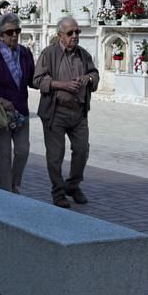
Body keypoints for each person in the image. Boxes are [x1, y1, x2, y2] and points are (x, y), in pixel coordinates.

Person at [34, 17, 99, 207]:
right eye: (70, 33)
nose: (75, 36)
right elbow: (37, 80)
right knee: (56, 155)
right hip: (56, 111)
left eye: (77, 32)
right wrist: (62, 85)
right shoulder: (49, 54)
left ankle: (73, 184)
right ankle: (58, 192)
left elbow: (94, 74)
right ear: (60, 35)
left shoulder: (83, 55)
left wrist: (88, 79)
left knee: (82, 150)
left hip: (78, 111)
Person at [0, 13, 36, 194]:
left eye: (17, 31)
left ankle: (13, 183)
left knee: (23, 151)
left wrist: (51, 82)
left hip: (21, 112)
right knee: (4, 155)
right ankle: (6, 191)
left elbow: (32, 80)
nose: (14, 35)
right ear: (0, 35)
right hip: (1, 114)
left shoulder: (25, 53)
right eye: (9, 32)